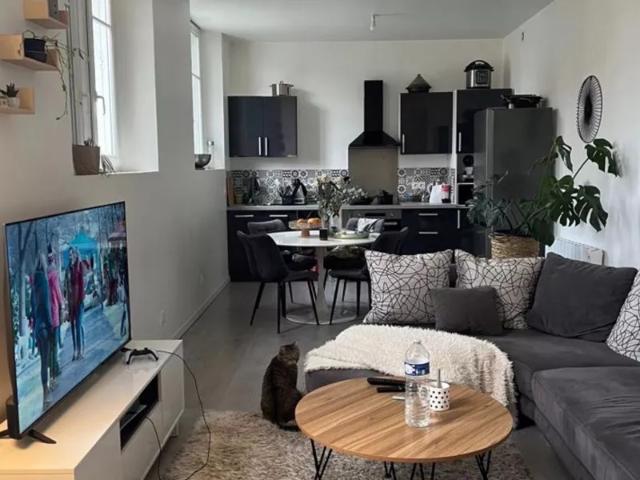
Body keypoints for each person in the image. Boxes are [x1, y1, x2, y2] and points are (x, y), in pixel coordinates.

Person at [31, 254, 52, 409]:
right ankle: (45, 395)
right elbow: (46, 305)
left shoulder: (34, 286)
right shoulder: (44, 282)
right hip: (45, 327)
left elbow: (33, 309)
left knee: (42, 362)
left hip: (38, 328)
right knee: (45, 361)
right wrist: (50, 325)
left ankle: (46, 390)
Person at [47, 246, 64, 386]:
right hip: (54, 312)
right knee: (54, 344)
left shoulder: (44, 274)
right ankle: (54, 370)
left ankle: (53, 368)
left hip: (47, 314)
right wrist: (63, 304)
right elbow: (58, 291)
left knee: (51, 344)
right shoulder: (53, 274)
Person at [68, 247, 90, 361]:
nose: (70, 256)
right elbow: (67, 287)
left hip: (79, 301)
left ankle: (81, 350)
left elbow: (82, 284)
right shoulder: (69, 268)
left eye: (71, 254)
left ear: (75, 255)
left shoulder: (79, 266)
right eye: (69, 255)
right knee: (74, 326)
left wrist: (81, 299)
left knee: (79, 325)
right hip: (72, 302)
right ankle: (75, 350)